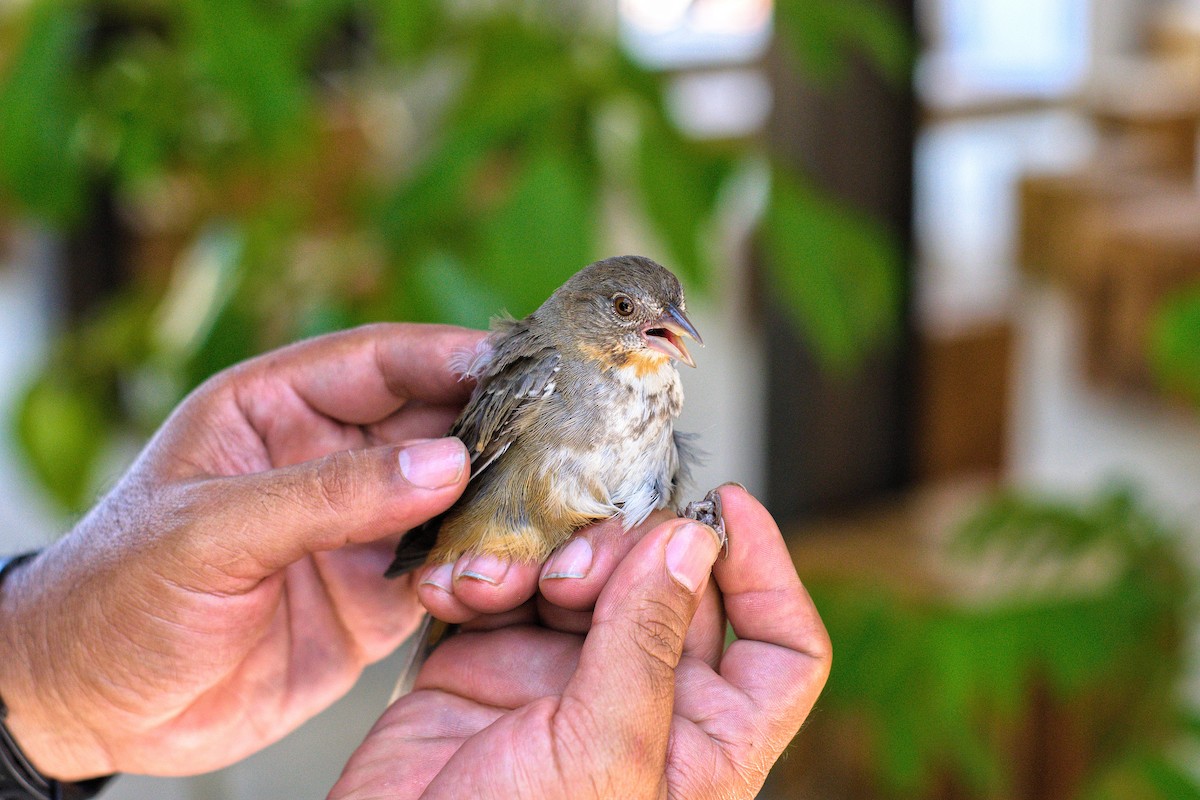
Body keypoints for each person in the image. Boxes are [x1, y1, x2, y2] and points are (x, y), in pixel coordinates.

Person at [0, 323, 831, 799]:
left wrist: (44, 690)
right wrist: (46, 677)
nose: (661, 329)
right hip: (485, 541)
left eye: (667, 313)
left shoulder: (656, 391)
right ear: (589, 319)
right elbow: (471, 473)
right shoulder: (546, 375)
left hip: (539, 577)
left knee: (620, 565)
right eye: (626, 309)